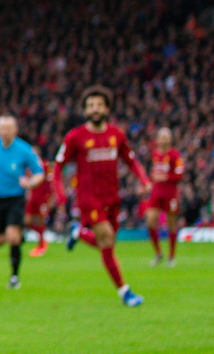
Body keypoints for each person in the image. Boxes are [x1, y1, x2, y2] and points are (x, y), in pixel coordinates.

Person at [55, 85, 152, 306]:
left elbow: (131, 160)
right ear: (85, 110)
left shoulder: (116, 134)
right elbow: (57, 168)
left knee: (106, 243)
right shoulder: (75, 137)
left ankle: (78, 233)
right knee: (107, 238)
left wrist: (144, 180)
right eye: (90, 106)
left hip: (112, 198)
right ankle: (124, 292)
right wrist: (60, 196)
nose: (95, 109)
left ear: (107, 108)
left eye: (99, 105)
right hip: (89, 199)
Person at [0, 115, 44, 290]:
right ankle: (18, 236)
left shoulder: (24, 149)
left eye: (9, 128)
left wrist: (30, 183)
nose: (5, 132)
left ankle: (14, 277)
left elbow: (39, 173)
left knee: (12, 237)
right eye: (2, 128)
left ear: (15, 130)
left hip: (16, 198)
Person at [145, 127, 184, 267]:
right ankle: (158, 253)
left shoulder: (175, 155)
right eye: (161, 137)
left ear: (170, 139)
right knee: (150, 221)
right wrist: (150, 181)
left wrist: (165, 177)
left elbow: (180, 175)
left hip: (170, 193)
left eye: (166, 137)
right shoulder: (155, 153)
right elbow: (154, 173)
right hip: (156, 193)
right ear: (157, 140)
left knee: (171, 224)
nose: (164, 139)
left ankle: (171, 256)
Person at [25, 158, 63, 257]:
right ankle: (42, 239)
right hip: (33, 197)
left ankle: (41, 245)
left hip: (43, 197)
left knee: (41, 220)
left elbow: (51, 181)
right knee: (27, 221)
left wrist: (50, 198)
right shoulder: (28, 164)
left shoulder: (44, 165)